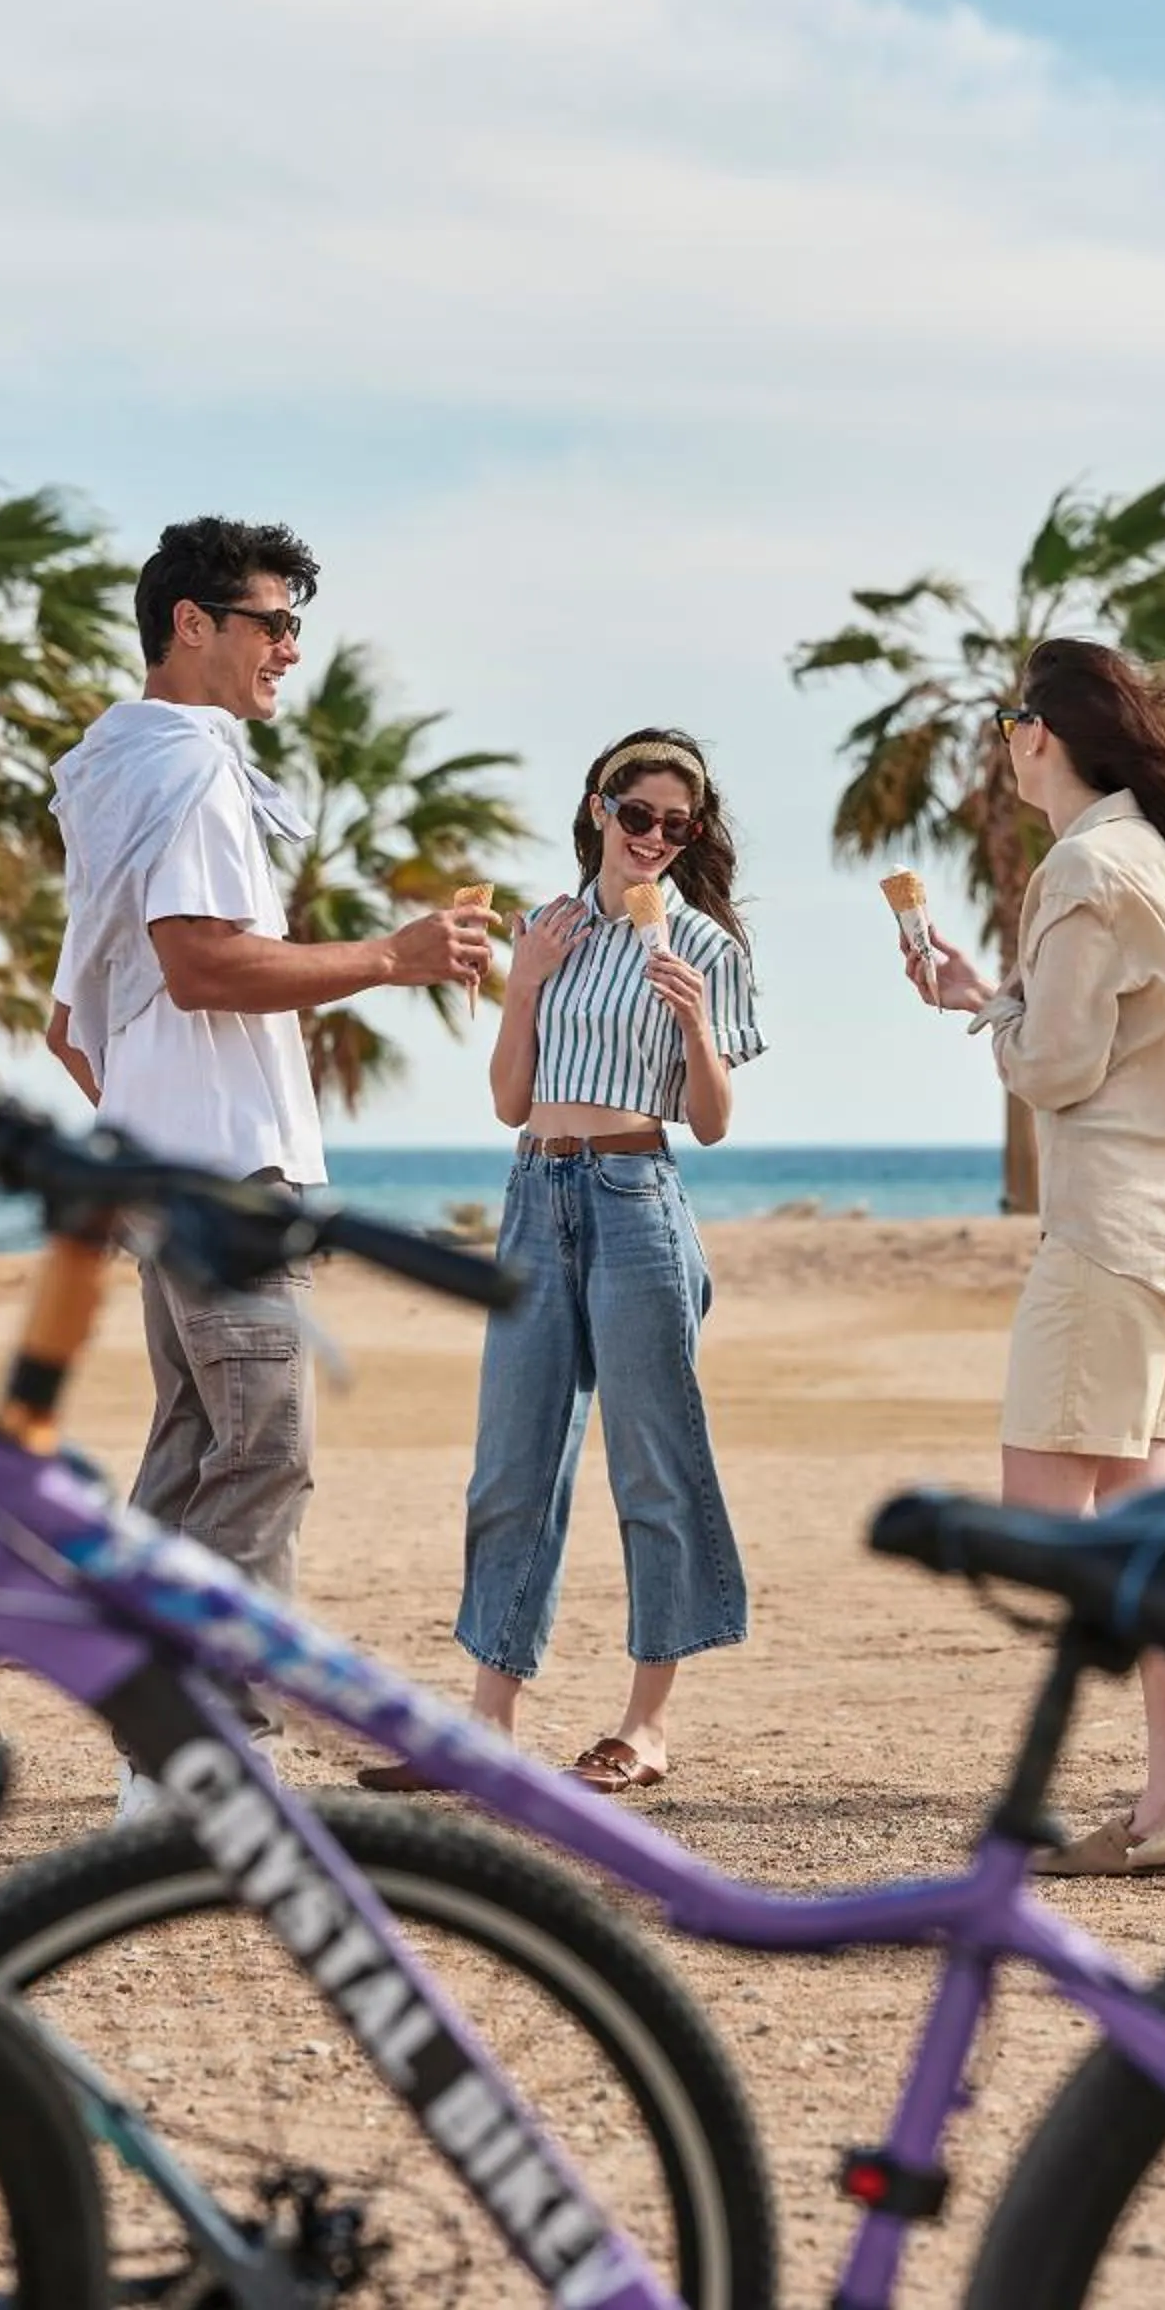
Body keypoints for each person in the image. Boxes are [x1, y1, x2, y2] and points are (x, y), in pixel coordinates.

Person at [46, 515, 491, 1808]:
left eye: (298, 625)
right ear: (192, 624)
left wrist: (151, 1130)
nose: (291, 648)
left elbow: (76, 1020)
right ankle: (207, 1759)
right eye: (272, 623)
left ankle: (155, 1764)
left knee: (195, 1454)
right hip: (228, 1182)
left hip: (171, 1173)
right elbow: (201, 963)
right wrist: (392, 958)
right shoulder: (188, 767)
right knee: (261, 1451)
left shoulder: (116, 768)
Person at [909, 639, 1165, 1876]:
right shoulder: (1152, 862)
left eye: (1008, 722)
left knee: (1050, 1519)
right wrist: (994, 997)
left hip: (1109, 1236)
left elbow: (1056, 1065)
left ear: (1039, 733)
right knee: (1141, 1517)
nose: (1006, 743)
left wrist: (990, 1011)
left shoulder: (1084, 866)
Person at [364, 727, 761, 1800]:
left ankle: (646, 1725)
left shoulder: (707, 948)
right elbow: (508, 1101)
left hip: (636, 1198)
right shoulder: (547, 930)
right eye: (638, 816)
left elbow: (712, 1122)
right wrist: (526, 981)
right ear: (598, 809)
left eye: (677, 826)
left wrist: (696, 1028)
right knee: (512, 1468)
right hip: (536, 1196)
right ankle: (488, 1729)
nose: (655, 839)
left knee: (653, 1465)